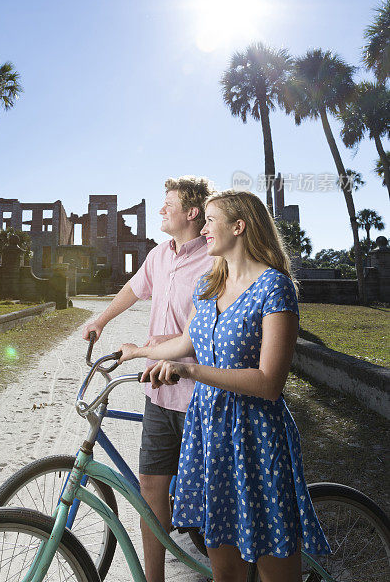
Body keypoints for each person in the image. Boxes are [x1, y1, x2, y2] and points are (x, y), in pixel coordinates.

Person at [118, 190, 330, 582]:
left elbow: (268, 383)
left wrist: (191, 372)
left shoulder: (274, 288)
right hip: (209, 432)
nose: (204, 228)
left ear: (239, 226)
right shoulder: (209, 283)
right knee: (225, 570)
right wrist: (138, 352)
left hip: (255, 435)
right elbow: (186, 343)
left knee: (274, 568)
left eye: (211, 220)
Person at [82, 176, 214, 582]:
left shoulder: (214, 258)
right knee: (151, 489)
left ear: (191, 212)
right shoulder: (159, 255)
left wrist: (144, 351)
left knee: (214, 498)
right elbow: (133, 288)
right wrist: (101, 319)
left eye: (168, 204)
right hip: (159, 395)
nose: (161, 210)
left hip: (200, 395)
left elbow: (199, 331)